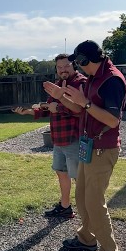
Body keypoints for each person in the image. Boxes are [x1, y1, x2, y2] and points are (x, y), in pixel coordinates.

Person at [45, 40, 126, 251]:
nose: (76, 67)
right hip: (89, 146)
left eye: (77, 62)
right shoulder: (94, 78)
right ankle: (87, 239)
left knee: (94, 202)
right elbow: (80, 108)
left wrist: (86, 103)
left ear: (83, 61)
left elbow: (112, 120)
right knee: (81, 197)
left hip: (103, 148)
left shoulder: (111, 80)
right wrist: (62, 97)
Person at [13, 54, 87, 218]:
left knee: (79, 179)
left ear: (74, 65)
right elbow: (48, 108)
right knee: (61, 172)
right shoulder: (58, 85)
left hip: (74, 139)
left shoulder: (80, 83)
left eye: (66, 66)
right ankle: (65, 206)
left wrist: (58, 107)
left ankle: (87, 215)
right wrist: (29, 112)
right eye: (59, 67)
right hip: (59, 140)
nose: (63, 70)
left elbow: (81, 109)